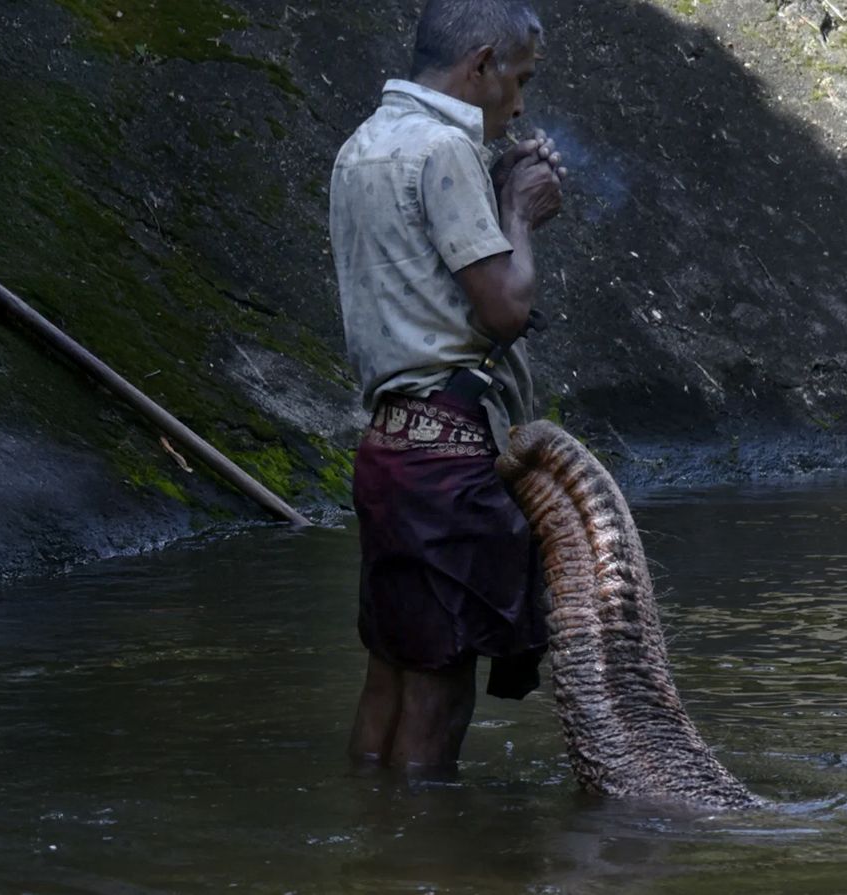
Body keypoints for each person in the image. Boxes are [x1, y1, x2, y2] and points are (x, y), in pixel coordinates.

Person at [330, 0, 567, 775]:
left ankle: (372, 839)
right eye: (518, 78)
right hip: (450, 459)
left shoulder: (362, 144)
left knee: (390, 670)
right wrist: (520, 214)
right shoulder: (442, 150)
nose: (520, 102)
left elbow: (422, 282)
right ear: (482, 64)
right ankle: (428, 862)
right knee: (441, 686)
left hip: (389, 450)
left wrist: (494, 192)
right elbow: (504, 308)